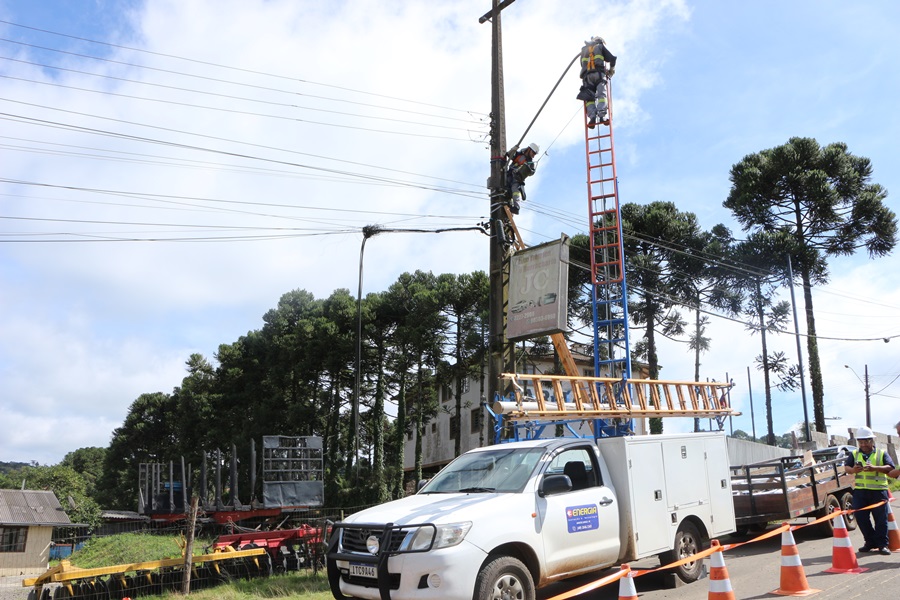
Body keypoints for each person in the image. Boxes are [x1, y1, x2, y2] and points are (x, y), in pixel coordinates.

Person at [844, 426, 894, 555]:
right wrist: (853, 470)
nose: (863, 445)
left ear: (872, 441)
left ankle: (882, 544)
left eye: (866, 441)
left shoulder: (881, 453)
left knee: (880, 520)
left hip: (878, 491)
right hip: (860, 492)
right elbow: (847, 467)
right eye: (861, 442)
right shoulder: (854, 454)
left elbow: (890, 467)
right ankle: (870, 542)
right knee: (861, 518)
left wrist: (874, 468)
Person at [577, 35, 617, 128]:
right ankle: (602, 116)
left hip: (587, 78)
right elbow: (612, 58)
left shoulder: (584, 50)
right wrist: (611, 70)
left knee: (589, 99)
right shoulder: (600, 47)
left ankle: (592, 117)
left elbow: (582, 65)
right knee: (601, 95)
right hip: (599, 75)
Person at [506, 142, 539, 214]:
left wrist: (530, 170)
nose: (533, 156)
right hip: (510, 175)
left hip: (518, 179)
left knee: (515, 189)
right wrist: (514, 148)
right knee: (506, 189)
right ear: (529, 149)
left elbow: (531, 172)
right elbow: (509, 154)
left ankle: (516, 208)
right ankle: (508, 204)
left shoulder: (530, 163)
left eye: (535, 154)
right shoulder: (519, 154)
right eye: (533, 153)